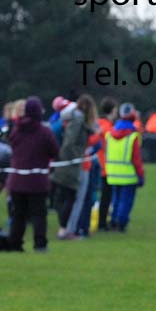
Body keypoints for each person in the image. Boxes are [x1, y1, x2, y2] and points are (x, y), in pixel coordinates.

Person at [5, 97, 59, 252]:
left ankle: (15, 244)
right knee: (39, 214)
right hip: (37, 180)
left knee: (18, 215)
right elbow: (55, 152)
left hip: (16, 179)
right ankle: (40, 244)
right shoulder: (44, 132)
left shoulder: (17, 129)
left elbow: (12, 145)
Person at [52, 96, 94, 240]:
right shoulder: (77, 120)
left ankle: (65, 228)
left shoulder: (68, 119)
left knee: (65, 197)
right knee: (72, 197)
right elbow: (70, 143)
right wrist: (77, 157)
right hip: (71, 163)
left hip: (64, 162)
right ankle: (67, 230)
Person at [106, 103, 145, 232]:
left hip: (112, 173)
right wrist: (141, 175)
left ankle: (113, 221)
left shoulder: (110, 133)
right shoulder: (132, 135)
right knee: (126, 201)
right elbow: (136, 159)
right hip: (128, 174)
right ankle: (121, 223)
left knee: (115, 199)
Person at [96, 98, 118, 231]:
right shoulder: (108, 127)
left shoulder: (97, 123)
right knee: (106, 196)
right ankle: (102, 223)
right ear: (112, 110)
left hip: (95, 163)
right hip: (104, 165)